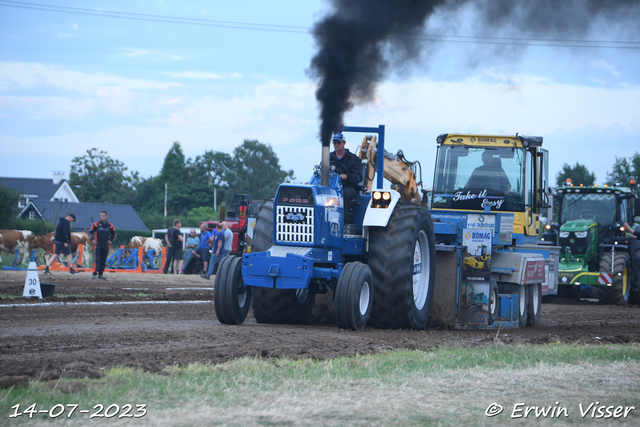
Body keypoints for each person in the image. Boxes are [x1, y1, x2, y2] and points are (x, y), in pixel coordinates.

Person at [330, 132, 363, 223]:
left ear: (344, 143)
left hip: (348, 187)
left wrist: (347, 177)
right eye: (334, 142)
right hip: (331, 187)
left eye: (338, 142)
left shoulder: (354, 159)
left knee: (344, 194)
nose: (336, 145)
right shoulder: (328, 158)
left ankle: (342, 223)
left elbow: (359, 177)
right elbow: (321, 171)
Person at [90, 210, 117, 280]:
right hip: (98, 244)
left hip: (106, 245)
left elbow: (114, 233)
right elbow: (89, 232)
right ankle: (94, 273)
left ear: (106, 216)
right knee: (97, 259)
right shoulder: (96, 224)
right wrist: (92, 239)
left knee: (103, 260)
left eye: (103, 215)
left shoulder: (110, 225)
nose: (102, 217)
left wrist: (111, 240)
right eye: (101, 215)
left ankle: (100, 274)